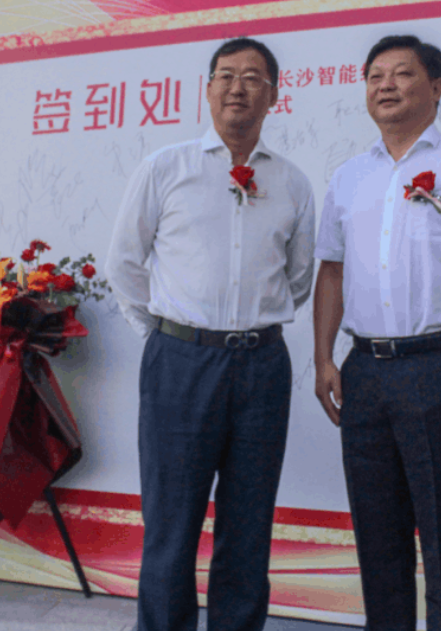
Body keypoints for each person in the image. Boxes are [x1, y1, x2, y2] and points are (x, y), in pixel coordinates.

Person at [312, 34, 441, 631]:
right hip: (365, 372)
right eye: (375, 75)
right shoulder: (349, 177)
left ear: (435, 86)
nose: (386, 85)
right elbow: (332, 272)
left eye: (402, 73)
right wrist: (324, 358)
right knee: (376, 534)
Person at [107, 37, 316, 631]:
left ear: (273, 95)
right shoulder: (166, 168)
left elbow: (299, 277)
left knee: (248, 525)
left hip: (262, 366)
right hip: (180, 362)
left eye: (252, 77)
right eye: (225, 75)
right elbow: (125, 263)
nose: (237, 87)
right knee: (171, 524)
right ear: (207, 89)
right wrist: (166, 335)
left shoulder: (293, 182)